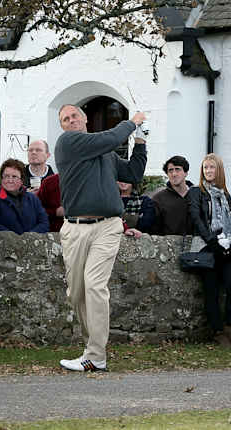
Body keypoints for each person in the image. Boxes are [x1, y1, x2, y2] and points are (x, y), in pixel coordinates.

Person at [54, 104, 147, 373]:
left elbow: (133, 174)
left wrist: (140, 141)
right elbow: (110, 138)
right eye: (65, 119)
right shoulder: (68, 142)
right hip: (75, 228)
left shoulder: (105, 152)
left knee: (94, 285)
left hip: (107, 226)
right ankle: (90, 350)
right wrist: (132, 122)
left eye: (74, 116)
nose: (70, 120)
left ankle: (96, 355)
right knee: (77, 293)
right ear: (63, 126)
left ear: (84, 119)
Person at [187, 153, 231, 346]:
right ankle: (218, 331)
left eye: (212, 168)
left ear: (219, 171)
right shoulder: (196, 192)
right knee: (211, 291)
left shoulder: (225, 194)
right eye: (205, 168)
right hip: (208, 248)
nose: (208, 171)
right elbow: (196, 219)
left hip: (226, 248)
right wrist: (212, 242)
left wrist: (230, 244)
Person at [0, 158, 49, 234]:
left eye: (14, 176)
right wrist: (14, 238)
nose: (10, 180)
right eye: (6, 176)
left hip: (30, 243)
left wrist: (29, 237)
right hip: (4, 244)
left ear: (22, 179)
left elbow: (44, 223)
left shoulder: (33, 199)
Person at [151, 156, 193, 235]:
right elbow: (154, 230)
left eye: (177, 169)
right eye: (170, 170)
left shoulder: (197, 195)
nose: (174, 174)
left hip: (196, 245)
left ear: (186, 173)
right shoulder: (158, 199)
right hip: (169, 245)